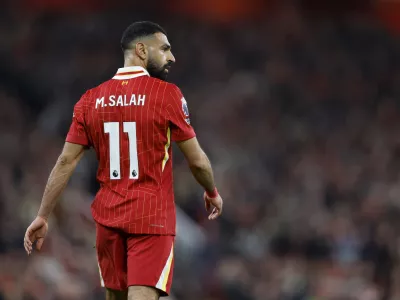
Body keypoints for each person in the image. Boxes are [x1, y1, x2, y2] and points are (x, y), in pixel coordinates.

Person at [23, 21, 223, 300]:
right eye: (164, 49)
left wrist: (43, 215)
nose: (171, 57)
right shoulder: (166, 95)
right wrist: (212, 191)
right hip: (151, 219)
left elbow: (65, 162)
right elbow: (198, 162)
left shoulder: (90, 100)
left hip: (109, 221)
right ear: (141, 50)